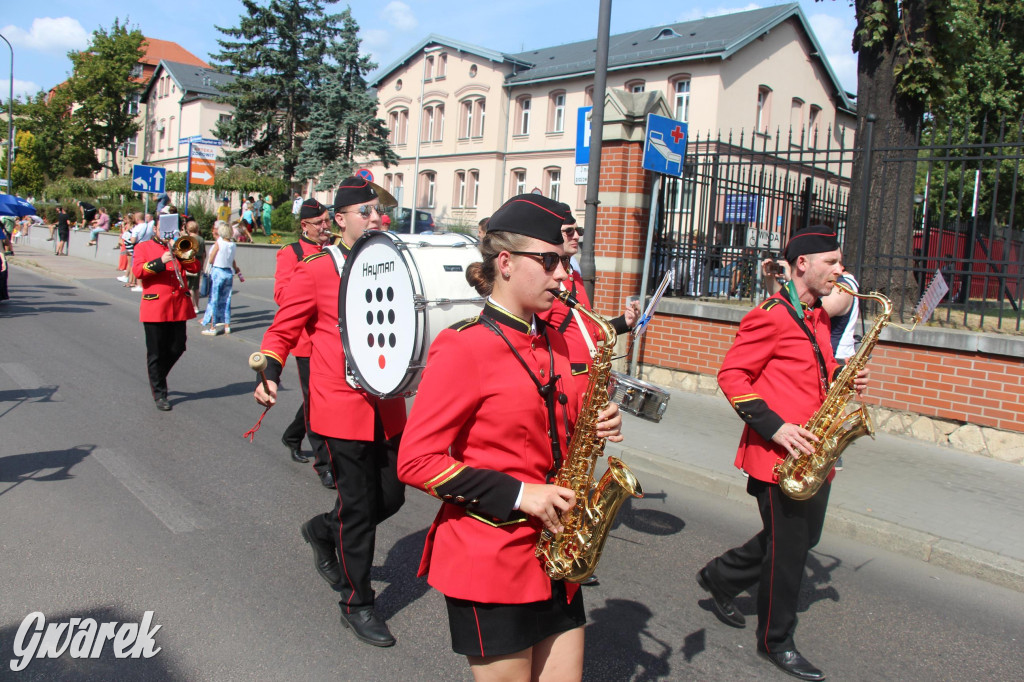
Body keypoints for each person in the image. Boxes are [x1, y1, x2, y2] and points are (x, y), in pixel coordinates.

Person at [397, 194, 623, 681]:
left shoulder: (560, 339)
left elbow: (561, 423)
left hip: (556, 554)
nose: (563, 274)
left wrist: (600, 417)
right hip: (489, 558)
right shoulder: (464, 346)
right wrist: (521, 494)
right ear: (505, 262)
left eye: (563, 261)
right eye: (549, 261)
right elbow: (415, 460)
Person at [696, 225, 870, 682]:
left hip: (813, 452)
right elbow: (732, 375)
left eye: (840, 261)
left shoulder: (815, 316)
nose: (840, 270)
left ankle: (721, 577)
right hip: (779, 456)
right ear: (802, 265)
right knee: (789, 550)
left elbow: (810, 376)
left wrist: (844, 381)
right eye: (831, 262)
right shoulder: (771, 315)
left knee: (800, 539)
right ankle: (776, 640)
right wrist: (776, 428)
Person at [254, 176, 405, 648]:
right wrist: (270, 372)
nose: (376, 218)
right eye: (366, 211)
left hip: (387, 407)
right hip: (339, 409)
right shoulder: (317, 269)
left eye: (378, 210)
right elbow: (282, 330)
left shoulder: (392, 263)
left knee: (392, 499)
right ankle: (358, 603)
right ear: (340, 220)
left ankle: (321, 531)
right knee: (359, 509)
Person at [538, 210, 640, 395]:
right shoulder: (547, 282)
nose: (576, 236)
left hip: (588, 382)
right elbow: (533, 337)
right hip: (564, 384)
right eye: (569, 231)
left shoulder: (575, 277)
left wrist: (624, 322)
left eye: (579, 231)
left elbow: (589, 330)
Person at [275, 198, 334, 488]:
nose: (326, 227)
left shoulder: (333, 249)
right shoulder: (292, 252)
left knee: (319, 397)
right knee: (317, 400)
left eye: (328, 221)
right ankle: (324, 464)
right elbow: (282, 295)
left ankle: (292, 435)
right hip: (308, 340)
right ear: (304, 226)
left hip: (334, 337)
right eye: (320, 223)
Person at [132, 229, 200, 411]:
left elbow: (195, 268)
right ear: (155, 229)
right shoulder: (143, 247)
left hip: (178, 306)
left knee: (178, 346)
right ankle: (160, 393)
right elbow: (138, 271)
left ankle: (157, 378)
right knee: (156, 352)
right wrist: (160, 261)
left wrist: (180, 252)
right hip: (155, 307)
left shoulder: (177, 246)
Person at [201, 221, 242, 336]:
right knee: (226, 299)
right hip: (228, 272)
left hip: (218, 270)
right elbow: (233, 260)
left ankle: (213, 327)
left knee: (214, 298)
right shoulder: (233, 244)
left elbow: (212, 256)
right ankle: (227, 325)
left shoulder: (219, 242)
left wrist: (209, 264)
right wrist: (236, 269)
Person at [181, 217, 207, 314]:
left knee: (189, 286)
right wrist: (202, 265)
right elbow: (204, 253)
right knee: (196, 287)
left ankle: (191, 305)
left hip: (189, 262)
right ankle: (196, 305)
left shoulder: (188, 239)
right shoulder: (201, 239)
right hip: (198, 262)